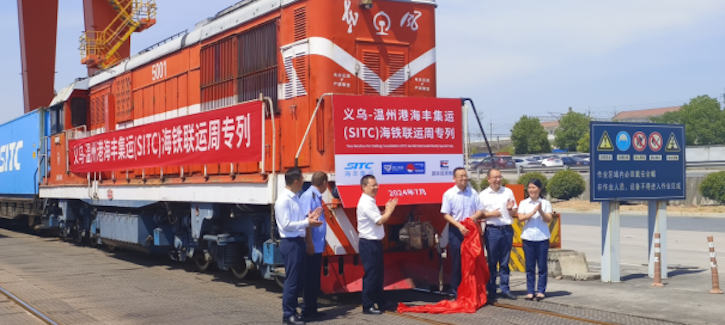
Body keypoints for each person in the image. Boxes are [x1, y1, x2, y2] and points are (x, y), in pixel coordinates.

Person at [275, 167, 324, 325]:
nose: (304, 181)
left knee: (299, 279)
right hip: (291, 243)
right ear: (296, 181)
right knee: (292, 280)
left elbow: (299, 218)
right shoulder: (284, 200)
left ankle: (295, 311)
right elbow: (286, 224)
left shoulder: (295, 197)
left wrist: (309, 217)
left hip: (299, 242)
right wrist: (307, 222)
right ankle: (288, 314)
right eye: (302, 179)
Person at [356, 175, 398, 315]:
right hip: (369, 244)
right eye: (372, 185)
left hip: (375, 243)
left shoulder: (371, 201)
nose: (376, 187)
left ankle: (381, 301)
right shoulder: (366, 203)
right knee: (372, 275)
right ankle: (367, 305)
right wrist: (390, 210)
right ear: (364, 187)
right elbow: (379, 221)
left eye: (376, 185)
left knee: (379, 274)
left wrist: (386, 210)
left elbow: (378, 217)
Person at [440, 167, 484, 297]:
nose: (464, 178)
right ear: (454, 179)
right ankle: (457, 291)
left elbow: (480, 210)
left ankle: (472, 289)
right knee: (458, 262)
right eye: (461, 176)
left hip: (471, 232)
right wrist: (459, 225)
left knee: (472, 261)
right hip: (456, 231)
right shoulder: (449, 194)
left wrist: (471, 219)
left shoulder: (473, 193)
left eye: (465, 176)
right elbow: (445, 215)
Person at [478, 168, 518, 301]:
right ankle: (492, 290)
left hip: (506, 229)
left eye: (500, 177)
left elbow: (514, 212)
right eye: (495, 177)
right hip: (492, 230)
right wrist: (491, 214)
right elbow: (478, 213)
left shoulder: (508, 192)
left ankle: (505, 289)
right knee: (492, 261)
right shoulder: (483, 195)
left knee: (505, 262)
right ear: (488, 179)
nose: (498, 180)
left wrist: (511, 209)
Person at [517, 179, 553, 301]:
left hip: (542, 237)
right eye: (530, 188)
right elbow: (521, 218)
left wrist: (541, 211)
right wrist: (532, 212)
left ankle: (541, 291)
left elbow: (548, 219)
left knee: (542, 266)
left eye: (534, 188)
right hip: (528, 237)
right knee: (530, 266)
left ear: (539, 189)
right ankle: (530, 291)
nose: (531, 190)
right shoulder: (524, 203)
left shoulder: (546, 203)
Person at [299, 172, 328, 320]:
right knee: (310, 280)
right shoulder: (309, 196)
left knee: (314, 279)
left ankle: (312, 309)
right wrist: (309, 242)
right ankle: (307, 312)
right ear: (324, 182)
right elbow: (306, 221)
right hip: (312, 246)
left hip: (317, 244)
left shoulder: (315, 196)